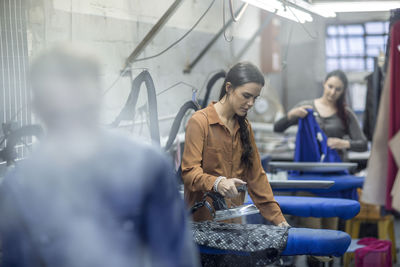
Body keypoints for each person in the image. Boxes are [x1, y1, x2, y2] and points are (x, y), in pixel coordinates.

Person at [0, 44, 198, 267]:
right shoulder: (19, 189)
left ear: (98, 99)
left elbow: (175, 260)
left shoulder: (147, 167)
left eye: (83, 112)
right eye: (59, 116)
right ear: (37, 108)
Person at [181, 62, 288, 227]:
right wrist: (218, 183)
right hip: (201, 225)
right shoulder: (200, 122)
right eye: (246, 96)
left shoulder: (245, 127)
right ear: (229, 88)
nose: (251, 103)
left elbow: (256, 177)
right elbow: (189, 174)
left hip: (233, 225)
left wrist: (279, 221)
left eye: (255, 98)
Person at [274, 70, 368, 159]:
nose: (332, 92)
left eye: (338, 89)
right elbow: (277, 128)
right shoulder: (306, 108)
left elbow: (363, 144)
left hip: (336, 166)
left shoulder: (346, 114)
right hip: (308, 166)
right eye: (330, 86)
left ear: (343, 91)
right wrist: (291, 114)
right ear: (324, 84)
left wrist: (343, 143)